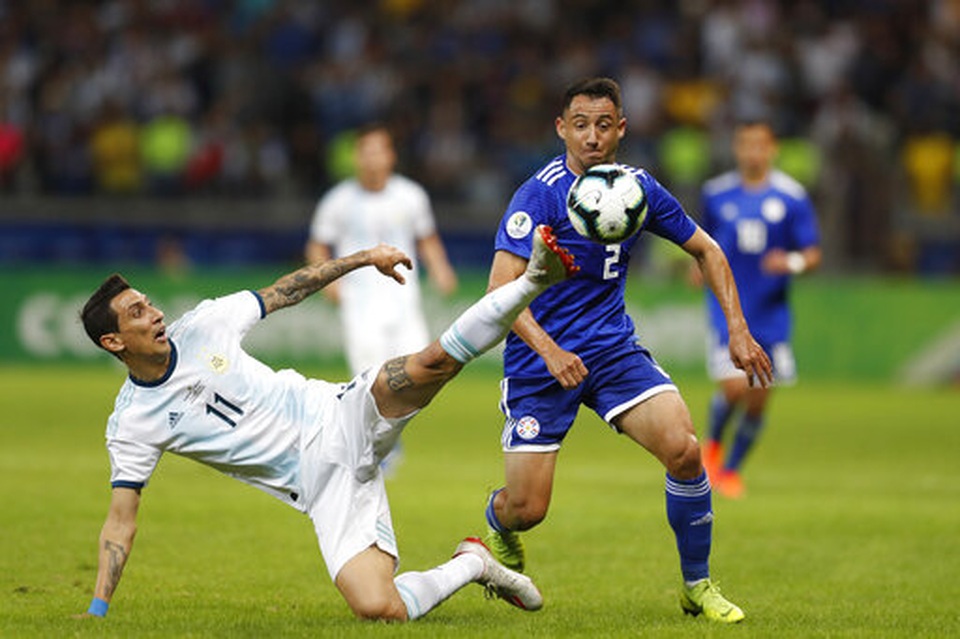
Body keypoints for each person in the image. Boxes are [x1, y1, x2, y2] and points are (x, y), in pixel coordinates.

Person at [78, 225, 578, 622]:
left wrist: (364, 258)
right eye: (137, 313)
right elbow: (121, 519)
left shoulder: (205, 323)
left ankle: (533, 278)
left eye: (149, 303)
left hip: (338, 414)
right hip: (321, 487)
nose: (156, 314)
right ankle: (473, 562)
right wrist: (98, 610)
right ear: (115, 343)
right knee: (379, 608)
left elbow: (285, 291)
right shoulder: (132, 423)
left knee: (430, 364)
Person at [481, 77, 772, 624]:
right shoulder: (538, 195)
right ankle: (498, 524)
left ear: (621, 129)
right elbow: (499, 292)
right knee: (528, 509)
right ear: (562, 128)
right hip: (540, 364)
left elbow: (707, 250)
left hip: (612, 351)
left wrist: (737, 327)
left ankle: (697, 586)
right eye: (581, 125)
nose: (592, 136)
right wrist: (548, 352)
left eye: (604, 125)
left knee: (685, 450)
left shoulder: (637, 190)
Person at [697, 119, 822, 499]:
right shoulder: (716, 194)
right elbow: (701, 240)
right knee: (735, 387)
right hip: (729, 307)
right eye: (746, 144)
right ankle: (712, 448)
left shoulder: (791, 197)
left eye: (760, 145)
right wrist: (695, 266)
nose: (753, 152)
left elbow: (813, 254)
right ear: (737, 149)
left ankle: (731, 471)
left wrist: (792, 263)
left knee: (759, 396)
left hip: (771, 312)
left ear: (772, 149)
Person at [305, 122, 458, 378]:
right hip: (360, 303)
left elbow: (426, 238)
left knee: (414, 378)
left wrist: (440, 268)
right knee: (370, 380)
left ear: (391, 155)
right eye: (367, 152)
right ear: (357, 156)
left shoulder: (411, 195)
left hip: (404, 301)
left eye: (379, 151)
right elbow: (317, 245)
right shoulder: (338, 201)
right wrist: (327, 283)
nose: (373, 159)